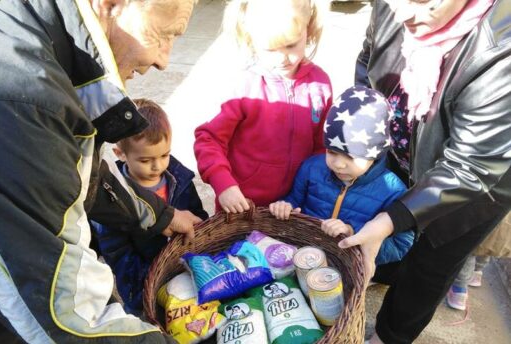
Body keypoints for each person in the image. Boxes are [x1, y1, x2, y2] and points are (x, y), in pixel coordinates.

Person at [0, 0, 201, 342]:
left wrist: (161, 215)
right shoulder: (5, 93)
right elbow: (68, 315)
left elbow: (74, 171)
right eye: (162, 34)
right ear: (112, 4)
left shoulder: (31, 37)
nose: (163, 59)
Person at [338, 0, 511, 343]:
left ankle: (390, 335)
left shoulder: (500, 51)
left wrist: (391, 219)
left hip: (474, 184)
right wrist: (365, 125)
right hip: (407, 147)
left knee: (431, 262)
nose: (404, 15)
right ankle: (385, 269)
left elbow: (471, 165)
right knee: (391, 233)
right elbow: (368, 59)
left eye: (427, 4)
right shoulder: (396, 8)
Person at [193, 0, 332, 212]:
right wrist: (224, 184)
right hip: (243, 205)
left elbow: (322, 148)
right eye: (270, 49)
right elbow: (209, 139)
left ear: (309, 28)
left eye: (291, 45)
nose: (283, 58)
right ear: (251, 40)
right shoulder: (243, 85)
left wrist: (312, 193)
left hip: (294, 206)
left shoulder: (320, 84)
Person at [269, 86, 414, 266]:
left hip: (347, 265)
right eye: (332, 151)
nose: (338, 164)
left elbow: (400, 246)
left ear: (375, 154)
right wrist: (285, 206)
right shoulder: (312, 167)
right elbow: (295, 199)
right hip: (302, 255)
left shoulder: (392, 190)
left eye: (351, 157)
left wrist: (352, 232)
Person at [92, 98, 208, 315]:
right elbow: (118, 254)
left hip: (188, 276)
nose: (157, 166)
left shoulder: (180, 180)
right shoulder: (110, 197)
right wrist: (153, 279)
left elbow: (198, 216)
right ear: (121, 154)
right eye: (145, 160)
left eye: (164, 155)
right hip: (146, 290)